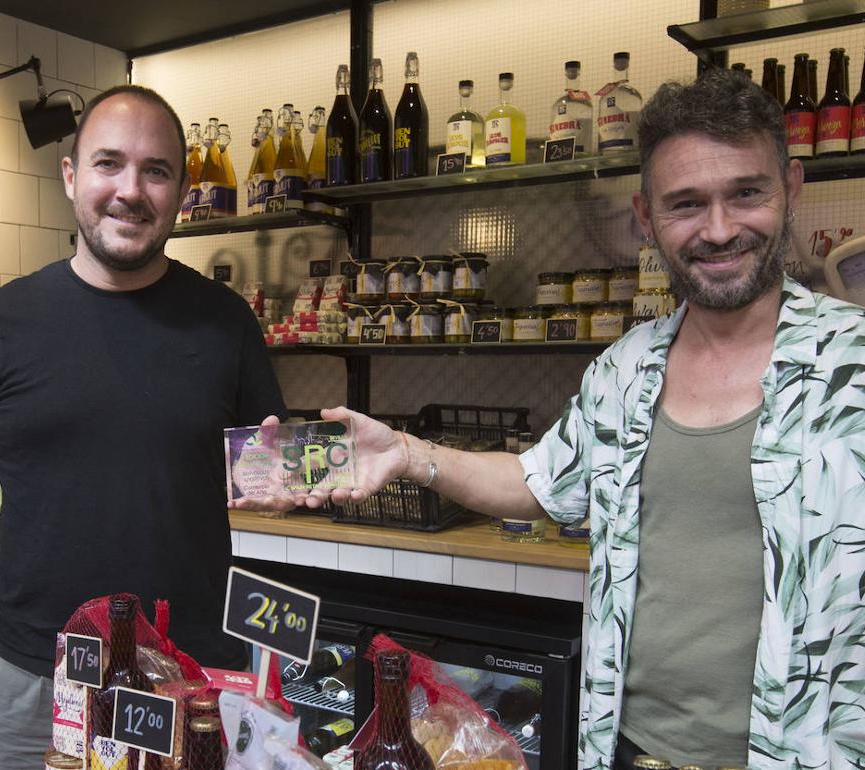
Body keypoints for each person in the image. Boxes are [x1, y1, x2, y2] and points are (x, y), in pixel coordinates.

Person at [234, 69, 865, 769]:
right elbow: (537, 482)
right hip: (630, 751)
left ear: (793, 188)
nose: (719, 229)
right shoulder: (628, 369)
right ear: (646, 218)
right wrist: (409, 454)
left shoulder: (854, 368)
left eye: (746, 193)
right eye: (686, 204)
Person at [0, 85, 287, 770]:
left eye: (156, 170)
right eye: (108, 164)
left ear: (180, 190)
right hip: (30, 687)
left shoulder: (227, 323)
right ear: (70, 176)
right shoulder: (1, 323)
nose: (130, 190)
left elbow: (262, 475)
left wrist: (312, 469)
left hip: (192, 683)